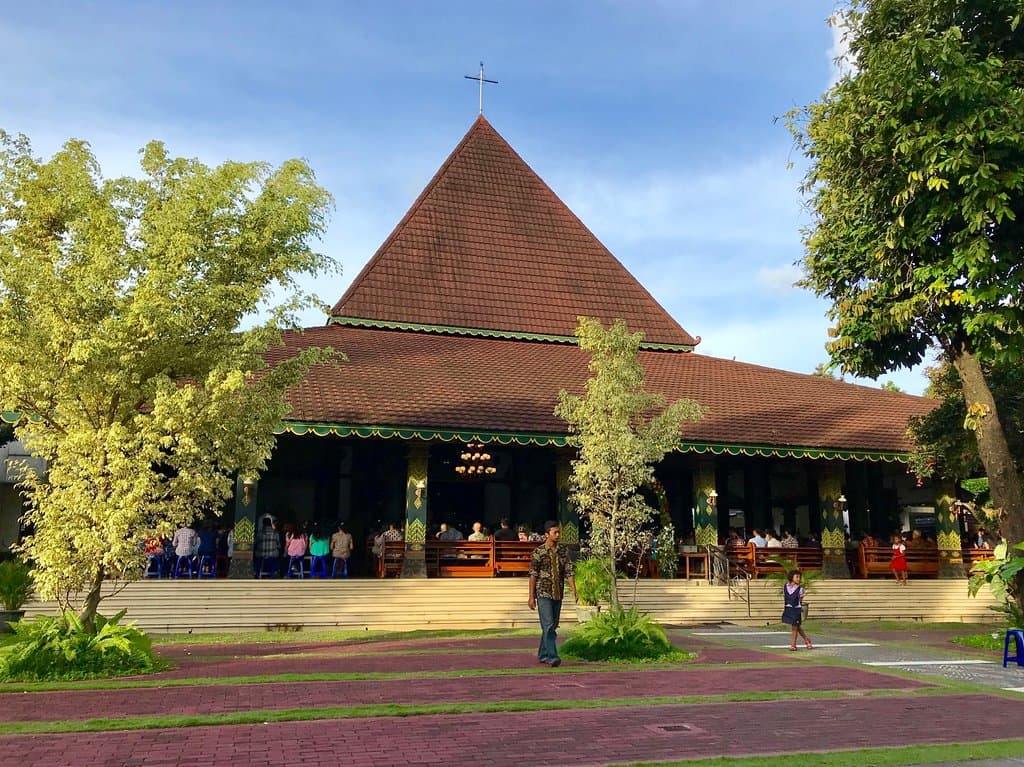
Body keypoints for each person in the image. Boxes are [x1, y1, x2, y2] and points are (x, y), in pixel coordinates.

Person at [527, 520, 576, 667]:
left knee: (552, 625)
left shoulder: (563, 551)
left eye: (558, 532)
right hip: (543, 593)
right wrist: (531, 596)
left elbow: (569, 571)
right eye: (555, 532)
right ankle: (552, 656)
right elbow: (533, 574)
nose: (558, 535)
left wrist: (574, 590)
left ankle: (542, 653)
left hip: (558, 592)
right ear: (547, 534)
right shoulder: (538, 552)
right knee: (548, 625)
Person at [781, 569, 812, 651]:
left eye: (799, 577)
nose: (799, 579)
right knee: (797, 626)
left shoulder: (800, 589)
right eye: (797, 577)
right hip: (788, 608)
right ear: (791, 577)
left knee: (794, 627)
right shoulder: (785, 586)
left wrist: (799, 608)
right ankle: (806, 640)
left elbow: (800, 600)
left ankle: (793, 645)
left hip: (796, 609)